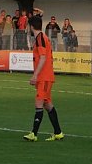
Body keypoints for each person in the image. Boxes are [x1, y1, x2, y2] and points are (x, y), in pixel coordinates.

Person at [23, 14, 64, 142]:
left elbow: (43, 57)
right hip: (45, 76)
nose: (27, 28)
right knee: (47, 104)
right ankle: (58, 132)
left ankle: (33, 134)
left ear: (31, 26)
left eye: (27, 26)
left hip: (44, 77)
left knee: (39, 102)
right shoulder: (41, 37)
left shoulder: (40, 38)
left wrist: (35, 75)